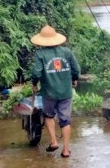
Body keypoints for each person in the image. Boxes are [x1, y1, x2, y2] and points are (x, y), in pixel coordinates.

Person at [30, 24, 80, 158]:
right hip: (65, 91)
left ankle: (53, 141)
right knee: (65, 120)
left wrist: (34, 83)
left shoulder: (40, 54)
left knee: (49, 115)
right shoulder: (67, 52)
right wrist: (74, 78)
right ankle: (66, 150)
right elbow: (76, 69)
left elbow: (36, 73)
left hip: (49, 92)